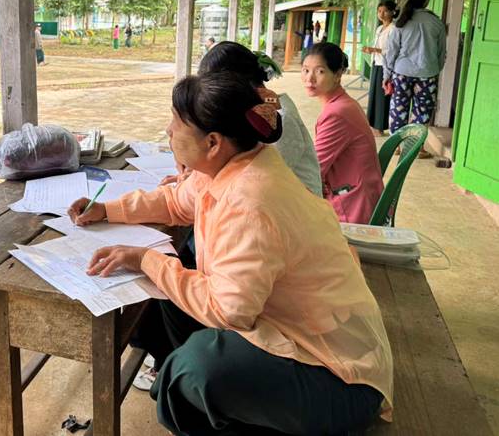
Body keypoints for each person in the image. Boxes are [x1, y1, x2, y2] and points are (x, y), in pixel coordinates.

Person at [68, 72, 393, 436]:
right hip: (290, 331)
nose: (169, 131)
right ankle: (219, 403)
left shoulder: (251, 201)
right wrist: (107, 210)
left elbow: (229, 310)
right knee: (163, 299)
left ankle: (206, 400)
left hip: (337, 376)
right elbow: (175, 201)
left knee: (195, 368)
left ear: (212, 142)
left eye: (176, 123)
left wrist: (146, 259)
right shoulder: (232, 164)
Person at [199, 41, 322, 196]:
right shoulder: (255, 110)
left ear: (237, 86)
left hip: (296, 206)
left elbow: (257, 178)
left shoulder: (280, 120)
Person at [303, 42, 384, 224]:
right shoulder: (343, 104)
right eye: (306, 70)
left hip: (351, 205)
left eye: (320, 71)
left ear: (338, 75)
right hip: (353, 194)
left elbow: (313, 169)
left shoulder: (337, 113)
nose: (310, 78)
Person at [383, 0, 446, 140]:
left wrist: (387, 75)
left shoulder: (401, 22)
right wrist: (434, 70)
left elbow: (391, 51)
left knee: (398, 110)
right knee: (422, 112)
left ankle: (396, 146)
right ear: (426, 1)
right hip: (428, 74)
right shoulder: (436, 22)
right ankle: (414, 146)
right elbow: (441, 53)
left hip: (401, 73)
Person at [363, 1, 397, 135]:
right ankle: (373, 125)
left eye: (385, 11)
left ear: (392, 12)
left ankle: (380, 127)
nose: (381, 14)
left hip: (386, 65)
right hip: (376, 63)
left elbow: (393, 50)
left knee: (382, 97)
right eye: (379, 11)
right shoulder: (379, 29)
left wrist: (375, 50)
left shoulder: (394, 29)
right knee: (374, 95)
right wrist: (371, 50)